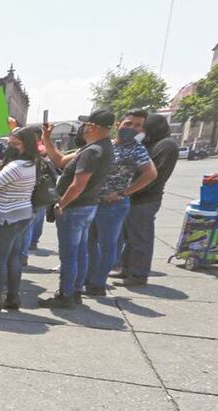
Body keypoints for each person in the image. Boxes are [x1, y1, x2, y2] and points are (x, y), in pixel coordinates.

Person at [38, 110, 114, 308]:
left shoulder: (92, 151)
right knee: (80, 252)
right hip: (86, 207)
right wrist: (46, 137)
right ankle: (75, 290)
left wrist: (60, 205)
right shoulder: (98, 147)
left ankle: (66, 295)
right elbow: (60, 161)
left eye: (86, 124)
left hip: (75, 208)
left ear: (93, 127)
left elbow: (78, 185)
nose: (83, 127)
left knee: (69, 254)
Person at [84, 109, 156, 295]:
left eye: (138, 125)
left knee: (108, 245)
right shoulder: (107, 144)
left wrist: (123, 193)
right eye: (129, 123)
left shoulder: (136, 148)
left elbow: (150, 174)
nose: (132, 128)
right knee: (88, 243)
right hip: (92, 201)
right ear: (118, 125)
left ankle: (97, 284)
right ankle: (88, 277)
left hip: (112, 205)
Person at [116, 112, 178, 287]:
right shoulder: (150, 143)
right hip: (134, 196)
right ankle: (127, 268)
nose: (139, 130)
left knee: (140, 237)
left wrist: (131, 191)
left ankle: (138, 275)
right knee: (130, 237)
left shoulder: (166, 145)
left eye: (142, 127)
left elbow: (157, 176)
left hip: (145, 199)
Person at [0, 127, 38, 311]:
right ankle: (13, 297)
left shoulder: (16, 166)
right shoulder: (32, 163)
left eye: (16, 144)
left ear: (26, 145)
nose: (11, 147)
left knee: (0, 260)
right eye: (10, 143)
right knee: (14, 258)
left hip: (6, 217)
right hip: (21, 214)